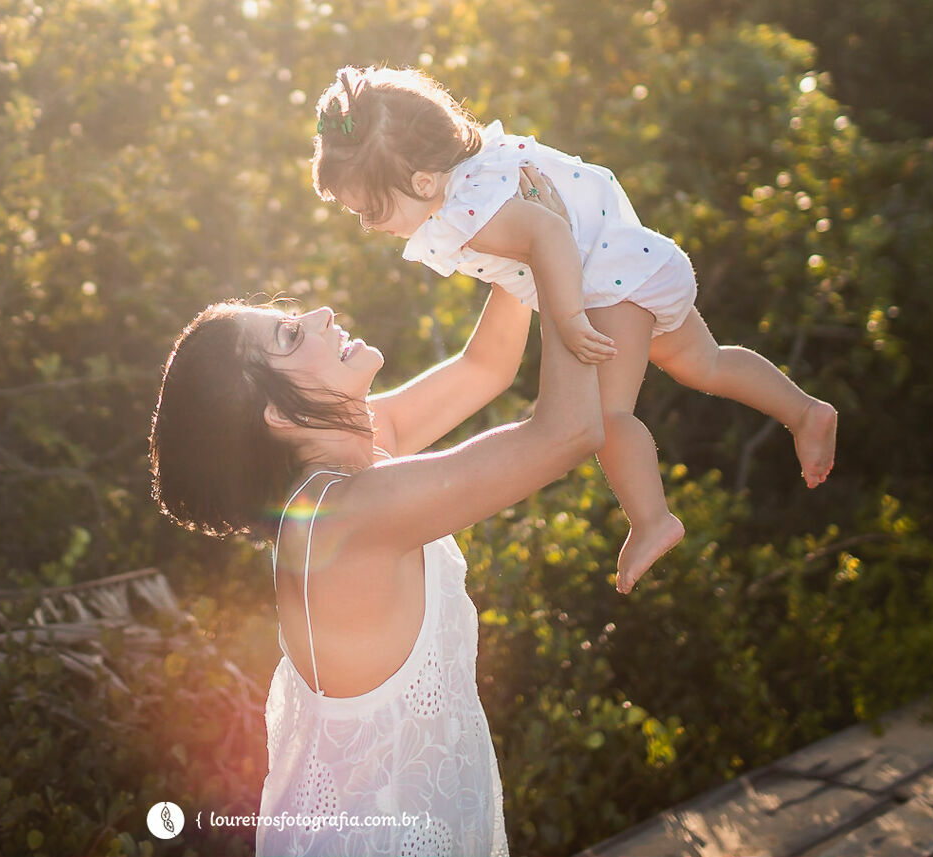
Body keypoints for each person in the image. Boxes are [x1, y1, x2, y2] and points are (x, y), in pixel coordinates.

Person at [309, 64, 838, 593]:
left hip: (611, 288)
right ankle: (805, 411)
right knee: (707, 362)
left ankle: (654, 519)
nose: (367, 224)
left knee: (606, 417)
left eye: (370, 210)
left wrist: (568, 319)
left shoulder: (468, 210)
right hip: (639, 261)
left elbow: (548, 232)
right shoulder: (478, 172)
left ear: (422, 183)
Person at [149, 286, 602, 856]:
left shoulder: (349, 452)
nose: (320, 315)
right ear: (281, 415)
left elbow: (486, 366)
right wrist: (555, 248)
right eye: (290, 334)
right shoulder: (343, 517)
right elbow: (568, 431)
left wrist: (520, 230)